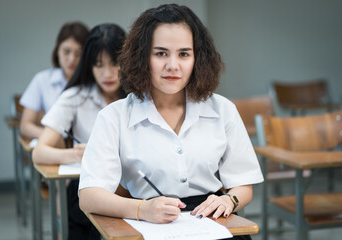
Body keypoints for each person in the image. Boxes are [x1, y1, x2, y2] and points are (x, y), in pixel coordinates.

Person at [79, 4, 263, 240]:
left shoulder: (223, 109)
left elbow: (243, 185)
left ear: (198, 58)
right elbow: (89, 196)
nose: (173, 66)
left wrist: (229, 199)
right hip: (148, 224)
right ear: (142, 57)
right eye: (161, 53)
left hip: (213, 223)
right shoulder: (114, 116)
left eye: (184, 54)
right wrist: (141, 209)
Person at [32, 23, 127, 240]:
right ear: (88, 65)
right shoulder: (75, 97)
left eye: (114, 64)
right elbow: (39, 152)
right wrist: (74, 154)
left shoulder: (139, 97)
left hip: (131, 188)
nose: (107, 74)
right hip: (88, 189)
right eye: (98, 65)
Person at [19, 21, 89, 140]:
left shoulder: (94, 83)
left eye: (78, 54)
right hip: (55, 147)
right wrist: (52, 138)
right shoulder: (42, 80)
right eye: (66, 51)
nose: (72, 59)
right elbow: (25, 126)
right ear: (57, 51)